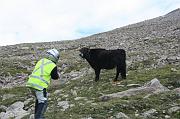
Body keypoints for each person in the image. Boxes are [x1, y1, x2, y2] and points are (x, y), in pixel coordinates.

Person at [26, 49, 60, 119]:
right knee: (43, 102)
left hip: (31, 84)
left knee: (39, 100)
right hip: (40, 86)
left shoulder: (41, 61)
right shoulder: (52, 65)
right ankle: (39, 117)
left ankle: (37, 116)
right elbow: (55, 77)